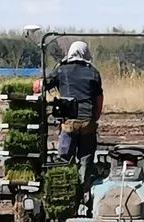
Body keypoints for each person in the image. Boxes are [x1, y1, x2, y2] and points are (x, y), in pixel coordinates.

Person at [34, 40, 104, 168]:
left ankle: (67, 183)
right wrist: (95, 117)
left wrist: (38, 84)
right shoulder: (93, 72)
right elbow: (99, 99)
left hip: (68, 122)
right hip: (87, 121)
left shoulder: (61, 70)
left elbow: (42, 85)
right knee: (86, 159)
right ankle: (84, 185)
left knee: (65, 159)